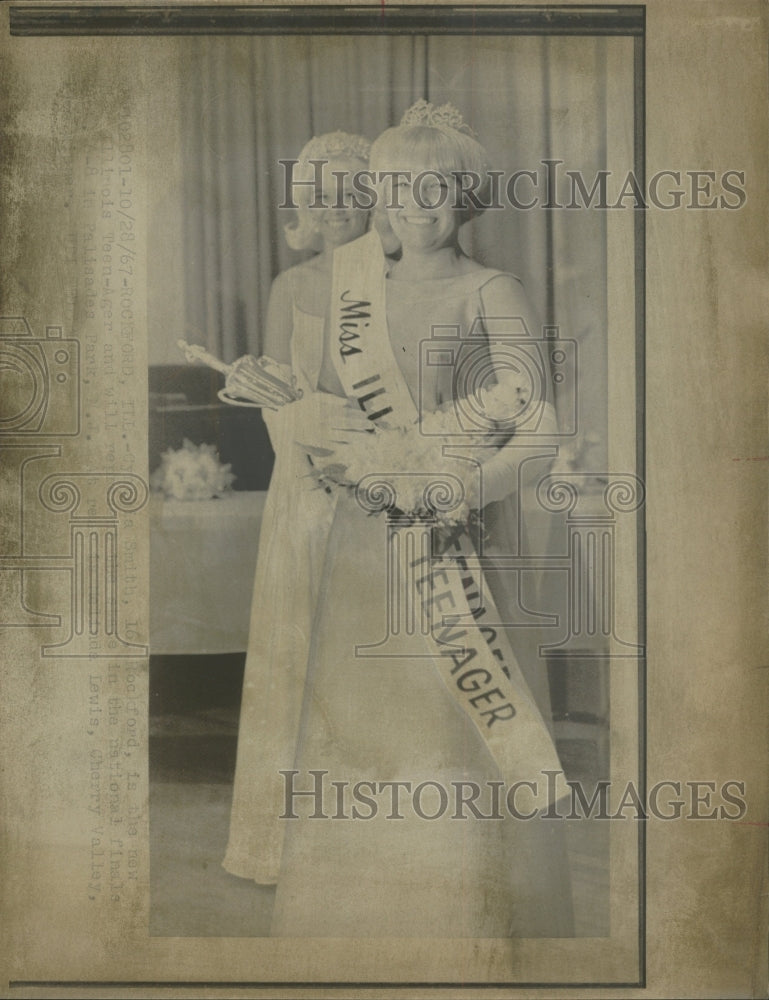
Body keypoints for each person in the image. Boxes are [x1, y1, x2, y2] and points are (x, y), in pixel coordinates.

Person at [226, 106, 574, 939]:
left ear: (466, 195)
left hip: (460, 552)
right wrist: (298, 413)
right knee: (355, 742)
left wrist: (456, 489)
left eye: (438, 187)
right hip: (357, 552)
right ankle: (354, 938)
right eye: (398, 187)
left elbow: (539, 435)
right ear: (379, 195)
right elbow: (334, 426)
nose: (418, 204)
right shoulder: (342, 297)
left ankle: (460, 935)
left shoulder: (495, 291)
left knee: (449, 749)